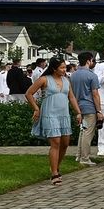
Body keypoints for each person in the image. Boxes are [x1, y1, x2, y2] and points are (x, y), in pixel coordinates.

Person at [26, 58, 82, 186]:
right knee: (55, 142)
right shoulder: (44, 79)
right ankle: (55, 173)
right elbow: (29, 93)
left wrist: (78, 112)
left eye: (65, 68)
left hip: (64, 115)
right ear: (54, 68)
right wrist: (36, 108)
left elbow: (71, 97)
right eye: (61, 68)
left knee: (65, 143)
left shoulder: (66, 80)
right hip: (50, 114)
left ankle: (55, 166)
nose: (64, 70)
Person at [71, 51, 103, 166]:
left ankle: (79, 155)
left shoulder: (74, 74)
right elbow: (95, 94)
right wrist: (99, 110)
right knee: (88, 133)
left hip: (78, 105)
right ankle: (84, 158)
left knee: (83, 131)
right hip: (89, 106)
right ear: (89, 60)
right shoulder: (91, 75)